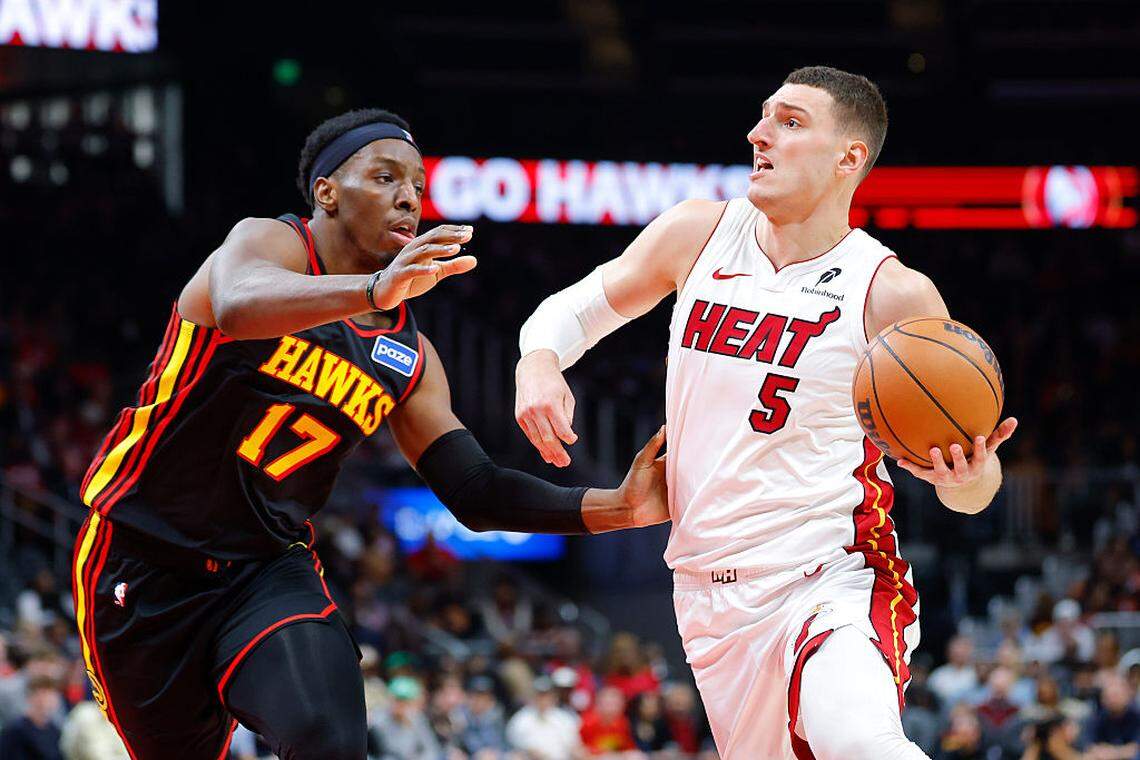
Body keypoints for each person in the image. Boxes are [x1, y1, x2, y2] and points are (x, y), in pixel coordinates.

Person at [72, 109, 670, 760]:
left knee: (328, 740)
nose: (409, 197)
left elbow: (476, 491)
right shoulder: (268, 246)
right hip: (140, 559)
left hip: (265, 570)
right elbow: (240, 304)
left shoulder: (410, 355)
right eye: (385, 177)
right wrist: (372, 287)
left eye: (416, 184)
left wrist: (618, 506)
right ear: (326, 190)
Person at [515, 65, 1018, 759]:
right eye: (763, 117)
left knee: (860, 741)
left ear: (849, 158)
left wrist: (967, 479)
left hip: (830, 574)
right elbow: (574, 308)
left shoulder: (891, 293)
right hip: (706, 591)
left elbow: (976, 487)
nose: (759, 134)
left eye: (790, 122)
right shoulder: (699, 232)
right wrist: (539, 360)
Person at [0, 675, 64, 760]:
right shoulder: (15, 731)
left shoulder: (55, 731)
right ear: (31, 697)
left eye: (52, 694)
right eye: (44, 694)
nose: (48, 699)